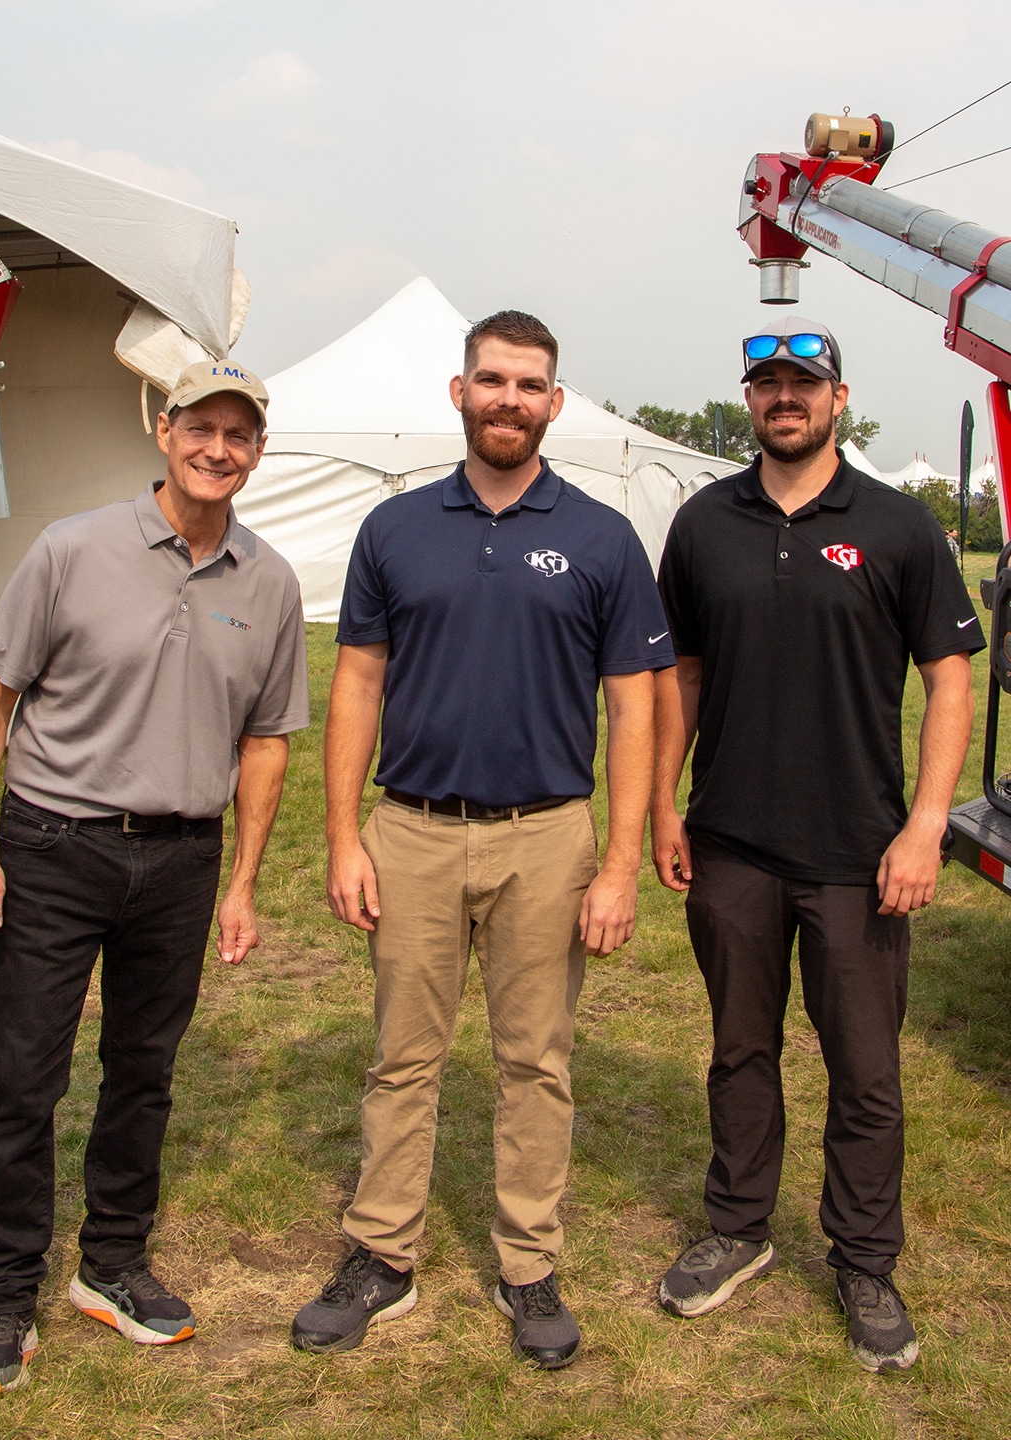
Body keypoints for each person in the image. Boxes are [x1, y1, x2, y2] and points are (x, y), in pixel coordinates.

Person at [291, 310, 671, 1369]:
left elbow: (636, 707)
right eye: (492, 380)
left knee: (535, 1062)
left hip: (547, 838)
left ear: (555, 403)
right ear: (459, 392)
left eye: (531, 385)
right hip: (410, 831)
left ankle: (528, 1265)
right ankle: (381, 1255)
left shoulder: (600, 536)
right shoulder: (397, 528)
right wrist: (343, 837)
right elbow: (357, 682)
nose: (511, 399)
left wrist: (620, 865)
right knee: (402, 1056)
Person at [0, 359, 309, 1398]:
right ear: (165, 427)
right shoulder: (72, 548)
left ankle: (110, 1264)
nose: (218, 448)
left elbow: (269, 741)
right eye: (202, 426)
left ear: (257, 450)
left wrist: (241, 882)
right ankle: (5, 1298)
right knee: (25, 1079)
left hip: (184, 861)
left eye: (240, 434)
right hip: (55, 847)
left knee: (143, 1072)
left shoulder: (270, 581)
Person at [651, 315, 981, 1372]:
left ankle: (865, 1262)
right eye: (767, 386)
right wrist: (662, 801)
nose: (785, 399)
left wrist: (927, 825)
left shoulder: (899, 526)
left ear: (841, 400)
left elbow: (951, 680)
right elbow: (683, 677)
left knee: (866, 1071)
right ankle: (739, 1228)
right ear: (748, 402)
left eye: (805, 383)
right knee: (740, 1053)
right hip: (733, 844)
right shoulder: (704, 523)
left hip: (860, 854)